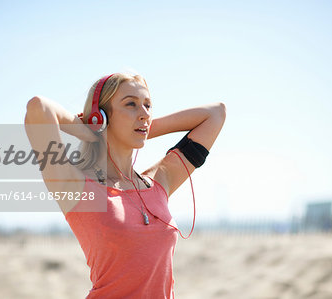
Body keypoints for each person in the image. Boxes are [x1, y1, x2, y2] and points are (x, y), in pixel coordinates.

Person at [24, 73, 226, 298]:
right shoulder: (77, 186)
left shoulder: (159, 181)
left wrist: (140, 128)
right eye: (131, 104)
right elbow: (38, 109)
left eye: (148, 105)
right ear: (100, 116)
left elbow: (216, 113)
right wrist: (93, 129)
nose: (144, 114)